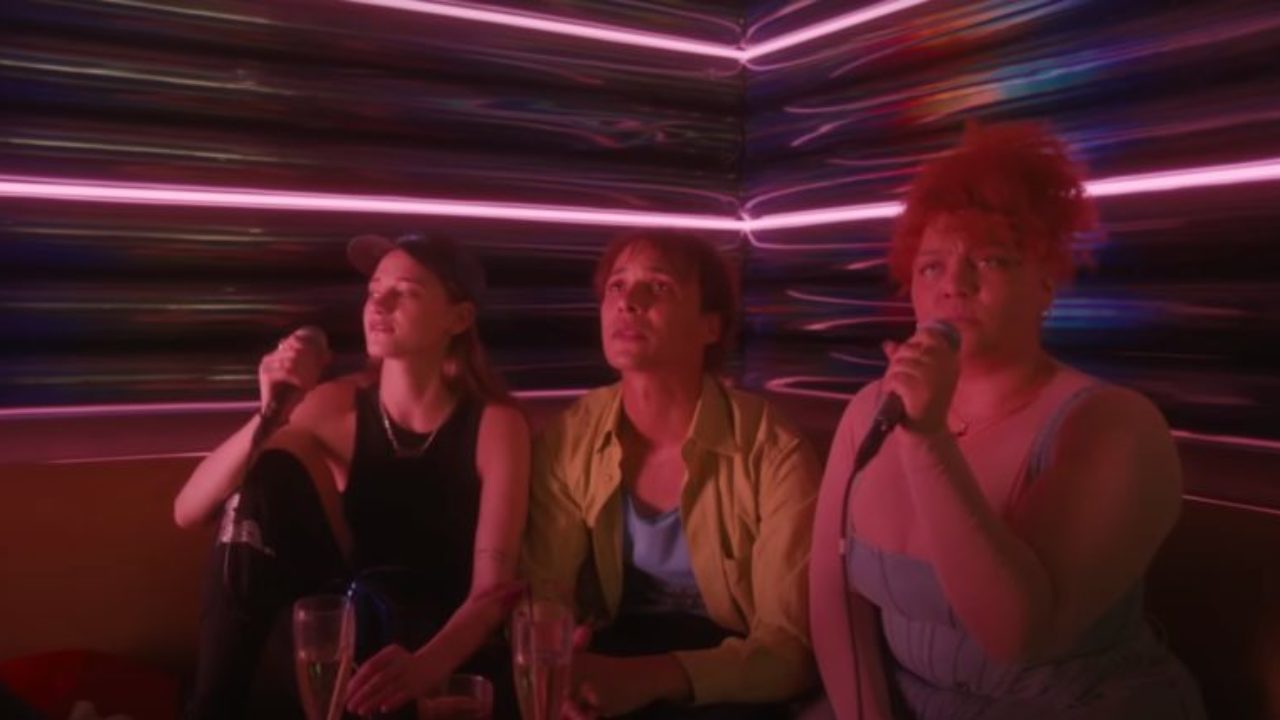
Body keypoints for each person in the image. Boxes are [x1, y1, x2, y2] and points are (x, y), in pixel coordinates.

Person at [807, 123, 1207, 719]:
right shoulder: (869, 410)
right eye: (932, 267)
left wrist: (927, 439)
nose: (955, 285)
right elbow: (831, 598)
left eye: (990, 260)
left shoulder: (1116, 427)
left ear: (1046, 283)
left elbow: (1014, 634)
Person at [174, 233, 530, 719]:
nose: (378, 304)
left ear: (459, 318)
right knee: (266, 478)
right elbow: (189, 511)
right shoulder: (337, 406)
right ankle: (213, 709)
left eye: (406, 291)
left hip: (446, 649)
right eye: (374, 290)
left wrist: (423, 668)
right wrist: (270, 414)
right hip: (362, 631)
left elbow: (491, 593)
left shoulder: (495, 424)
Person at [522, 230, 820, 719]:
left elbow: (791, 650)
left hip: (730, 674)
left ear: (710, 326)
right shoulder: (571, 437)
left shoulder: (772, 449)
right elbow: (544, 591)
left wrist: (647, 678)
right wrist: (558, 659)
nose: (628, 302)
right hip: (609, 652)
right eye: (617, 286)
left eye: (659, 287)